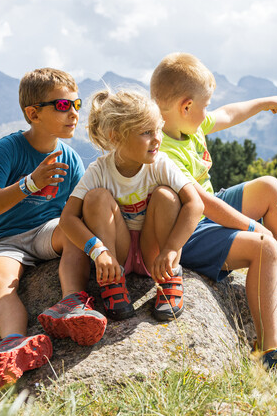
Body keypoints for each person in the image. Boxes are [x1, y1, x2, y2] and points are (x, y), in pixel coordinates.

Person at [149, 52, 277, 376]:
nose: (208, 113)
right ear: (186, 106)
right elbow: (201, 203)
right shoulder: (161, 149)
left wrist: (264, 102)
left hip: (207, 209)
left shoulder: (189, 122)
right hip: (186, 230)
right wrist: (251, 226)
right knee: (266, 248)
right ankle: (270, 349)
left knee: (270, 187)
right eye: (204, 106)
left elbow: (228, 113)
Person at [0, 68, 106, 389]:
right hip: (5, 239)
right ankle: (16, 344)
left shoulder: (70, 158)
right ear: (33, 113)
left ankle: (71, 305)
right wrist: (31, 182)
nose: (73, 114)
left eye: (76, 105)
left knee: (75, 229)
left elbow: (75, 212)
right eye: (62, 106)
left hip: (47, 231)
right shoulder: (9, 148)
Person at [59, 88, 204, 322]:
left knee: (166, 196)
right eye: (146, 132)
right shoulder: (99, 170)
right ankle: (112, 283)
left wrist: (171, 249)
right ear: (115, 136)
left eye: (158, 129)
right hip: (117, 256)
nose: (158, 138)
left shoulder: (160, 164)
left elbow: (194, 204)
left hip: (154, 256)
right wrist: (99, 252)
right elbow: (68, 219)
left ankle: (170, 279)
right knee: (96, 197)